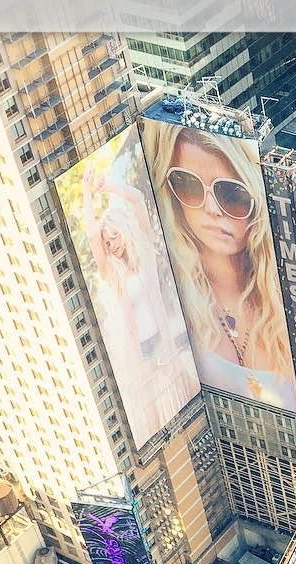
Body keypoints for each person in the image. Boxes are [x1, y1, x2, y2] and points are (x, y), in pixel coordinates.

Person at [143, 122, 296, 410]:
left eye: (231, 194)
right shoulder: (171, 301)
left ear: (256, 198)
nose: (212, 209)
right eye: (188, 185)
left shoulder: (287, 299)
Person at [72, 152, 201, 442]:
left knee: (187, 398)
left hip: (164, 341)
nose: (111, 245)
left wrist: (107, 187)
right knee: (155, 420)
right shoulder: (113, 274)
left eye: (114, 237)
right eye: (107, 243)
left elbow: (138, 200)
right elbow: (92, 236)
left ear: (124, 231)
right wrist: (86, 193)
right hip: (141, 352)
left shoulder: (144, 251)